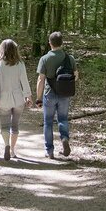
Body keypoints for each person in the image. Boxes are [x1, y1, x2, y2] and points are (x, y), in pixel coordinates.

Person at [36, 31, 78, 159]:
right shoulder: (69, 58)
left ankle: (49, 150)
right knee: (63, 119)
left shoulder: (44, 59)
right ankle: (64, 138)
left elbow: (40, 79)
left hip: (49, 94)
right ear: (62, 43)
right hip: (65, 94)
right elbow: (76, 76)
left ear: (50, 43)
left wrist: (38, 98)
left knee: (48, 122)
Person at [0, 38, 32, 161]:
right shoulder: (20, 64)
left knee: (4, 125)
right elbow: (24, 81)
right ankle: (12, 150)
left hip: (3, 99)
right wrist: (28, 96)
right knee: (15, 125)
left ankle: (6, 145)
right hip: (18, 98)